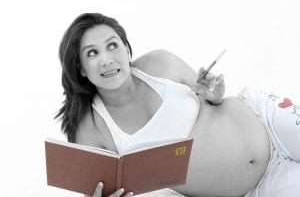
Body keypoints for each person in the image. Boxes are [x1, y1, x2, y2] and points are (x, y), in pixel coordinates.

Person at [56, 13, 300, 197]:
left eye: (112, 45)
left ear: (125, 48)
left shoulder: (159, 64)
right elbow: (101, 189)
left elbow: (210, 97)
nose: (107, 60)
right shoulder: (90, 129)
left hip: (268, 123)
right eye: (92, 53)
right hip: (257, 190)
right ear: (80, 68)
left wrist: (213, 94)